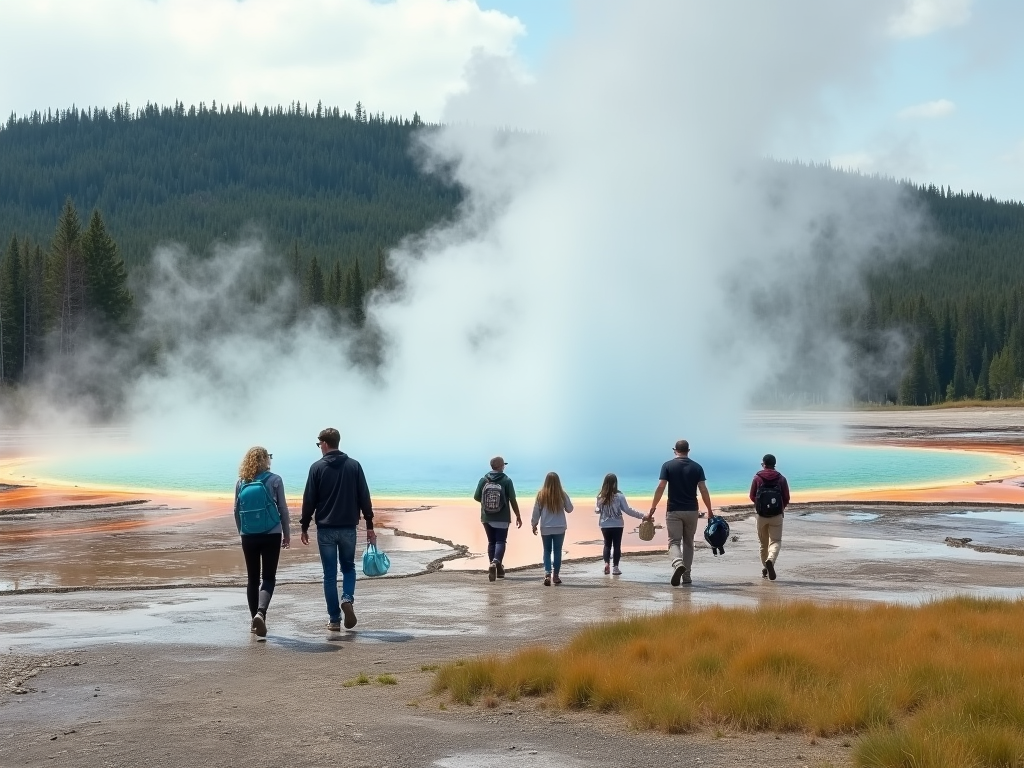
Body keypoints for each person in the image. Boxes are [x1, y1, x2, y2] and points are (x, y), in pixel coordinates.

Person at [300, 428, 376, 631]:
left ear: (325, 443)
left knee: (329, 575)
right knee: (349, 568)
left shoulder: (316, 468)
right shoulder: (354, 466)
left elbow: (309, 500)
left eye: (319, 445)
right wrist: (369, 525)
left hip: (325, 529)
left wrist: (305, 525)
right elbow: (364, 497)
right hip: (348, 528)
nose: (319, 448)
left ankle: (334, 620)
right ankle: (347, 598)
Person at [233, 446, 290, 637]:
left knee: (252, 579)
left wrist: (242, 531)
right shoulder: (275, 480)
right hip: (271, 533)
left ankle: (253, 622)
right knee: (268, 578)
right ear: (266, 460)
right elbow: (283, 509)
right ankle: (261, 613)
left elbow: (235, 510)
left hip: (248, 535)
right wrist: (287, 533)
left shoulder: (241, 482)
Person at [649, 439, 713, 586]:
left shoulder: (667, 466)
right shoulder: (697, 467)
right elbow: (703, 489)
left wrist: (653, 506)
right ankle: (687, 575)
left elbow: (661, 487)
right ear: (688, 451)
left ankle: (678, 563)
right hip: (692, 510)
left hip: (674, 510)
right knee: (689, 543)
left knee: (674, 542)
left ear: (674, 450)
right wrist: (709, 510)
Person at [473, 456, 522, 582]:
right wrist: (518, 515)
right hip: (502, 516)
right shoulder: (507, 480)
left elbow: (476, 497)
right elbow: (512, 499)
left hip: (486, 516)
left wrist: (487, 504)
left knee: (491, 542)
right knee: (500, 541)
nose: (504, 467)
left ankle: (496, 568)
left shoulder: (483, 479)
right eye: (503, 465)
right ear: (500, 466)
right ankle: (495, 563)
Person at [749, 453, 791, 581]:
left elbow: (752, 496)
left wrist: (759, 506)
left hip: (761, 515)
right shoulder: (781, 479)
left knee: (763, 544)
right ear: (774, 464)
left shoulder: (757, 478)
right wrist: (780, 509)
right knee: (776, 541)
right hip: (777, 515)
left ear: (764, 464)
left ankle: (766, 568)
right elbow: (786, 497)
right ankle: (770, 561)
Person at [595, 473, 646, 575]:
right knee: (617, 545)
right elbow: (628, 510)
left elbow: (597, 510)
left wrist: (599, 509)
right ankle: (615, 568)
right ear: (615, 483)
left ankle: (606, 564)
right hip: (618, 524)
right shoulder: (620, 496)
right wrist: (642, 516)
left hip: (605, 525)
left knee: (607, 544)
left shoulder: (600, 497)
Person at [530, 472, 573, 586]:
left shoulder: (541, 495)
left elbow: (536, 511)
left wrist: (534, 524)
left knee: (547, 551)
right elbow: (570, 509)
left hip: (546, 527)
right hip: (559, 527)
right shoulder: (562, 494)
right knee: (557, 551)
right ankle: (556, 576)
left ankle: (547, 573)